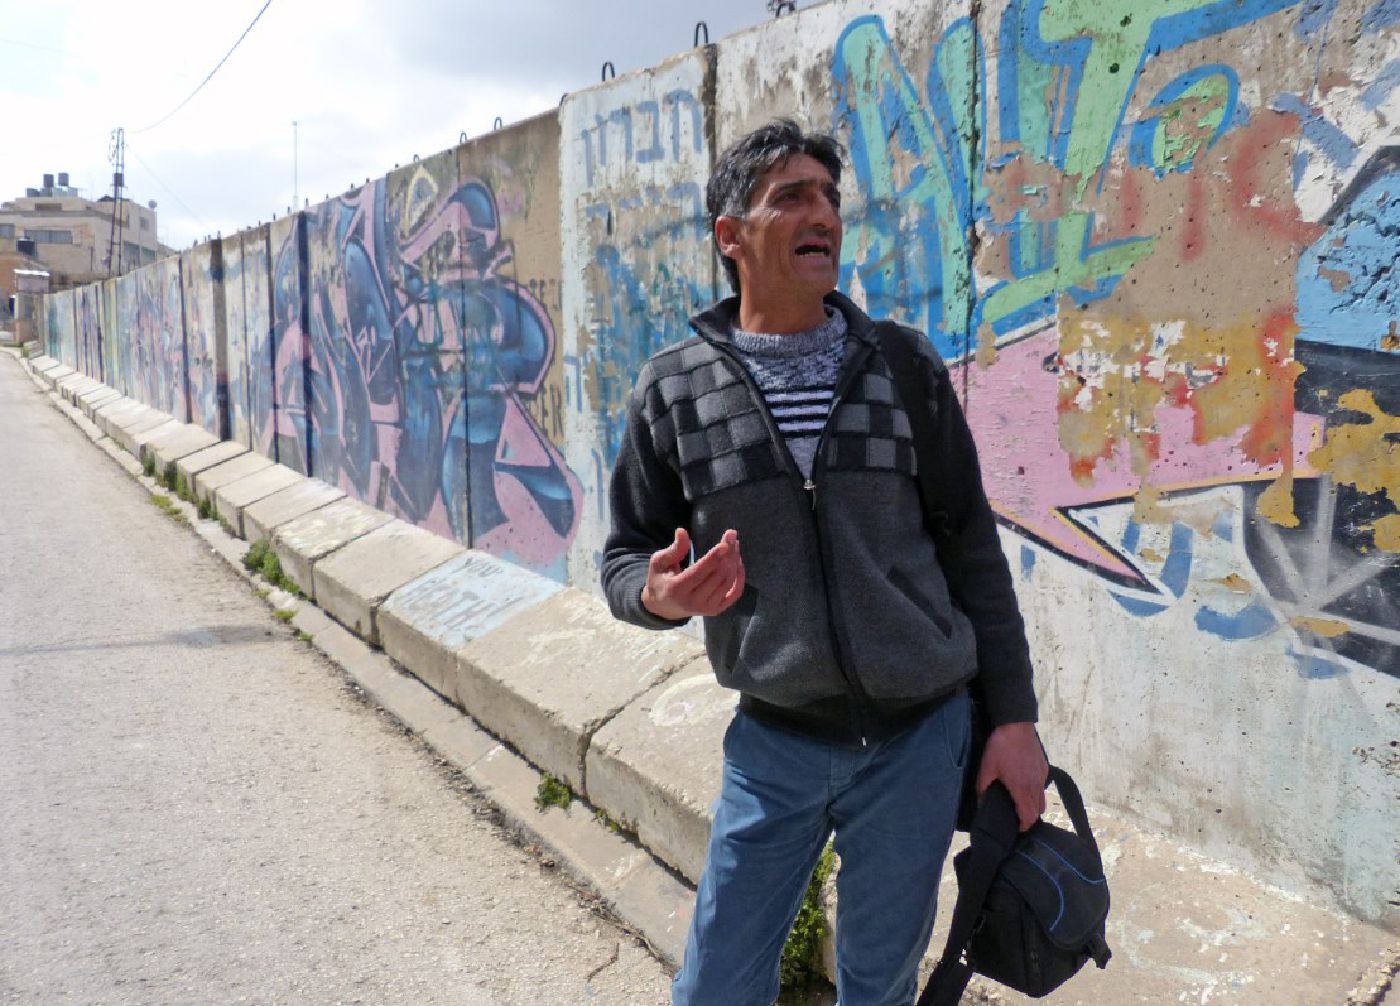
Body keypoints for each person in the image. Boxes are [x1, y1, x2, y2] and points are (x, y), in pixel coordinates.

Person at [601, 119, 1048, 1006]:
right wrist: (657, 594)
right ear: (731, 236)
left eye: (830, 199)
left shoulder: (903, 365)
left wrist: (1015, 720)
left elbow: (971, 553)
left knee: (879, 987)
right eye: (792, 198)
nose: (824, 216)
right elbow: (622, 557)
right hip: (775, 743)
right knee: (715, 986)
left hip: (921, 742)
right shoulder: (674, 389)